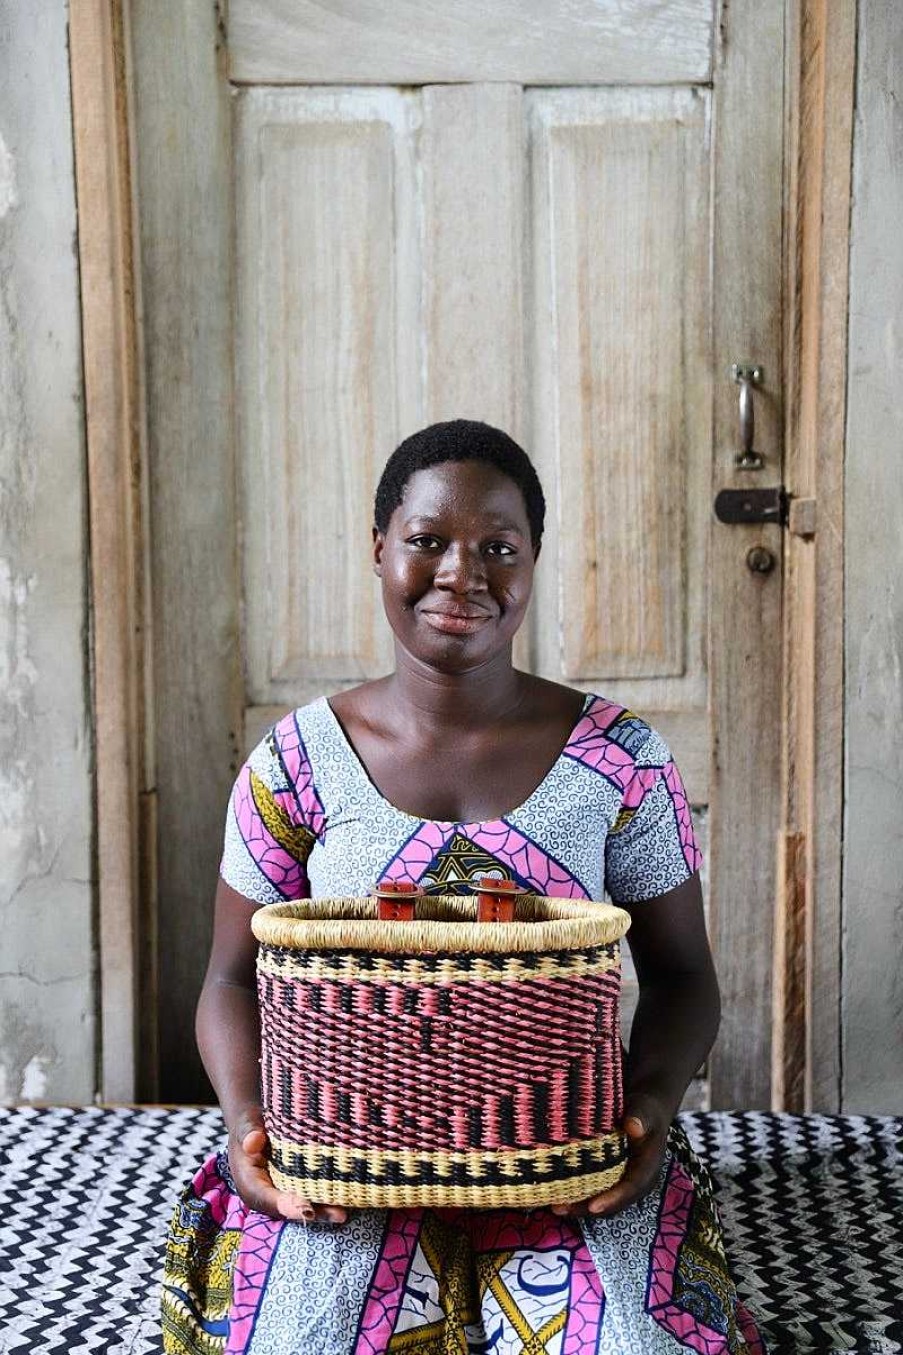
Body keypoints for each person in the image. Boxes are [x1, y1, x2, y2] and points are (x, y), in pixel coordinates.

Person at [162, 420, 764, 1354]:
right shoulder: (294, 763)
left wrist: (646, 1112)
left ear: (532, 561)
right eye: (427, 540)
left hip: (556, 1155)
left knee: (642, 1343)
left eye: (497, 547)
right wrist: (250, 1131)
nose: (462, 573)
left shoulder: (620, 759)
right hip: (348, 1158)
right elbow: (229, 980)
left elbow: (684, 977)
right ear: (378, 548)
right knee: (297, 1335)